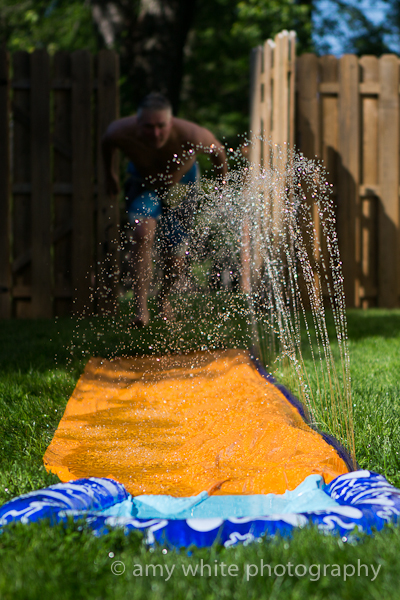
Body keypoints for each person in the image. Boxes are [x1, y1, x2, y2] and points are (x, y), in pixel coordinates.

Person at [102, 92, 228, 327]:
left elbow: (218, 152)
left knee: (175, 258)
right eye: (148, 127)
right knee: (142, 233)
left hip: (180, 185)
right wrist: (110, 174)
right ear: (137, 123)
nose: (155, 133)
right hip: (144, 184)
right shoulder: (119, 132)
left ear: (171, 122)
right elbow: (106, 144)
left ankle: (163, 297)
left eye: (161, 126)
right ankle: (141, 310)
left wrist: (222, 187)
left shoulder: (192, 135)